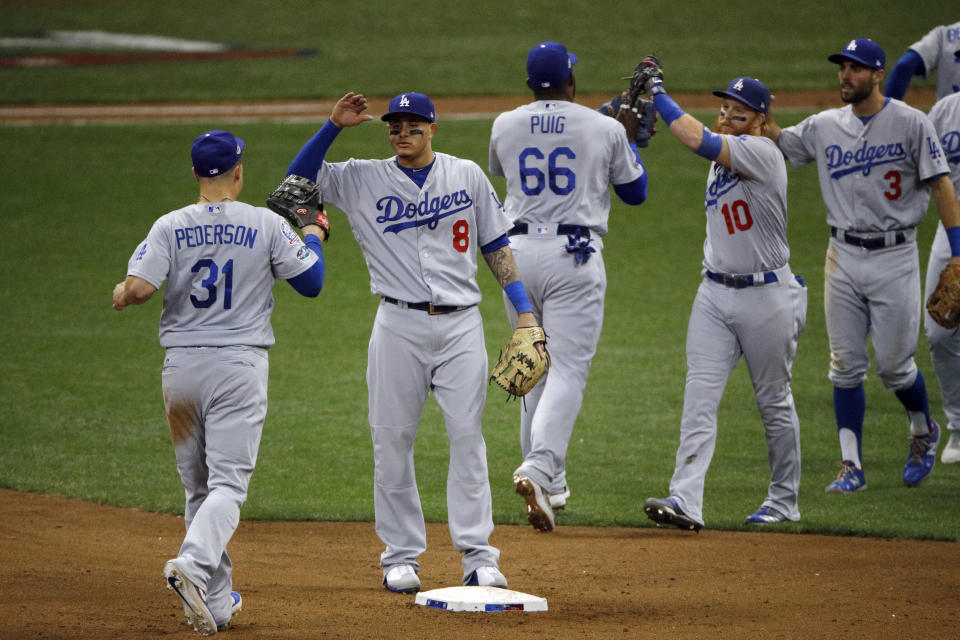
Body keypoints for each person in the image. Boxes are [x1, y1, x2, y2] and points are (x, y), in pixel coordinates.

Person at [279, 91, 545, 593]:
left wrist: (525, 311)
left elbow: (496, 245)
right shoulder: (360, 176)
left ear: (433, 128)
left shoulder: (465, 174)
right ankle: (400, 556)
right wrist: (333, 126)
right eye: (395, 124)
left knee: (468, 439)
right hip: (396, 325)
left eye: (413, 123)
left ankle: (479, 555)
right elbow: (294, 187)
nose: (403, 131)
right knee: (392, 440)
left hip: (461, 325)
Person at [112, 129, 327, 635]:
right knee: (228, 484)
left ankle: (214, 602)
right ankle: (192, 564)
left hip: (181, 371)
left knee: (198, 487)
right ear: (238, 171)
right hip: (237, 367)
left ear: (194, 174)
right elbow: (312, 284)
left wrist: (120, 293)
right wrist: (314, 233)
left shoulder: (170, 225)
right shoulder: (266, 223)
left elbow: (141, 289)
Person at [764, 38, 960, 492]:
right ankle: (850, 465)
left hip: (895, 256)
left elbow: (942, 187)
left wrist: (957, 250)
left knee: (894, 367)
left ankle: (922, 429)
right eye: (842, 68)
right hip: (843, 257)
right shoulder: (825, 124)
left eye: (855, 69)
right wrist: (762, 123)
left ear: (877, 75)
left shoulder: (912, 124)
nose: (845, 76)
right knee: (845, 366)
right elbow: (785, 142)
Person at [488, 41, 648, 532]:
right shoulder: (603, 128)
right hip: (573, 257)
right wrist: (629, 138)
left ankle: (551, 483)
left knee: (531, 362)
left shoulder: (505, 123)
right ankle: (537, 468)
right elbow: (635, 192)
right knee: (569, 370)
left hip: (515, 256)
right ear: (571, 80)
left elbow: (505, 168)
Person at [638, 71, 807, 530]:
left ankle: (784, 499)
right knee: (699, 397)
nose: (729, 116)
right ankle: (686, 500)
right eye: (725, 109)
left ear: (759, 121)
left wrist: (659, 98)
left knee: (773, 399)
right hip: (714, 293)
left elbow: (698, 139)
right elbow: (704, 140)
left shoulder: (762, 153)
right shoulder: (727, 152)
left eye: (740, 112)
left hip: (767, 296)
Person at [885, 27, 960, 464]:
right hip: (953, 231)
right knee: (939, 330)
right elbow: (912, 166)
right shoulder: (946, 112)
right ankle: (957, 427)